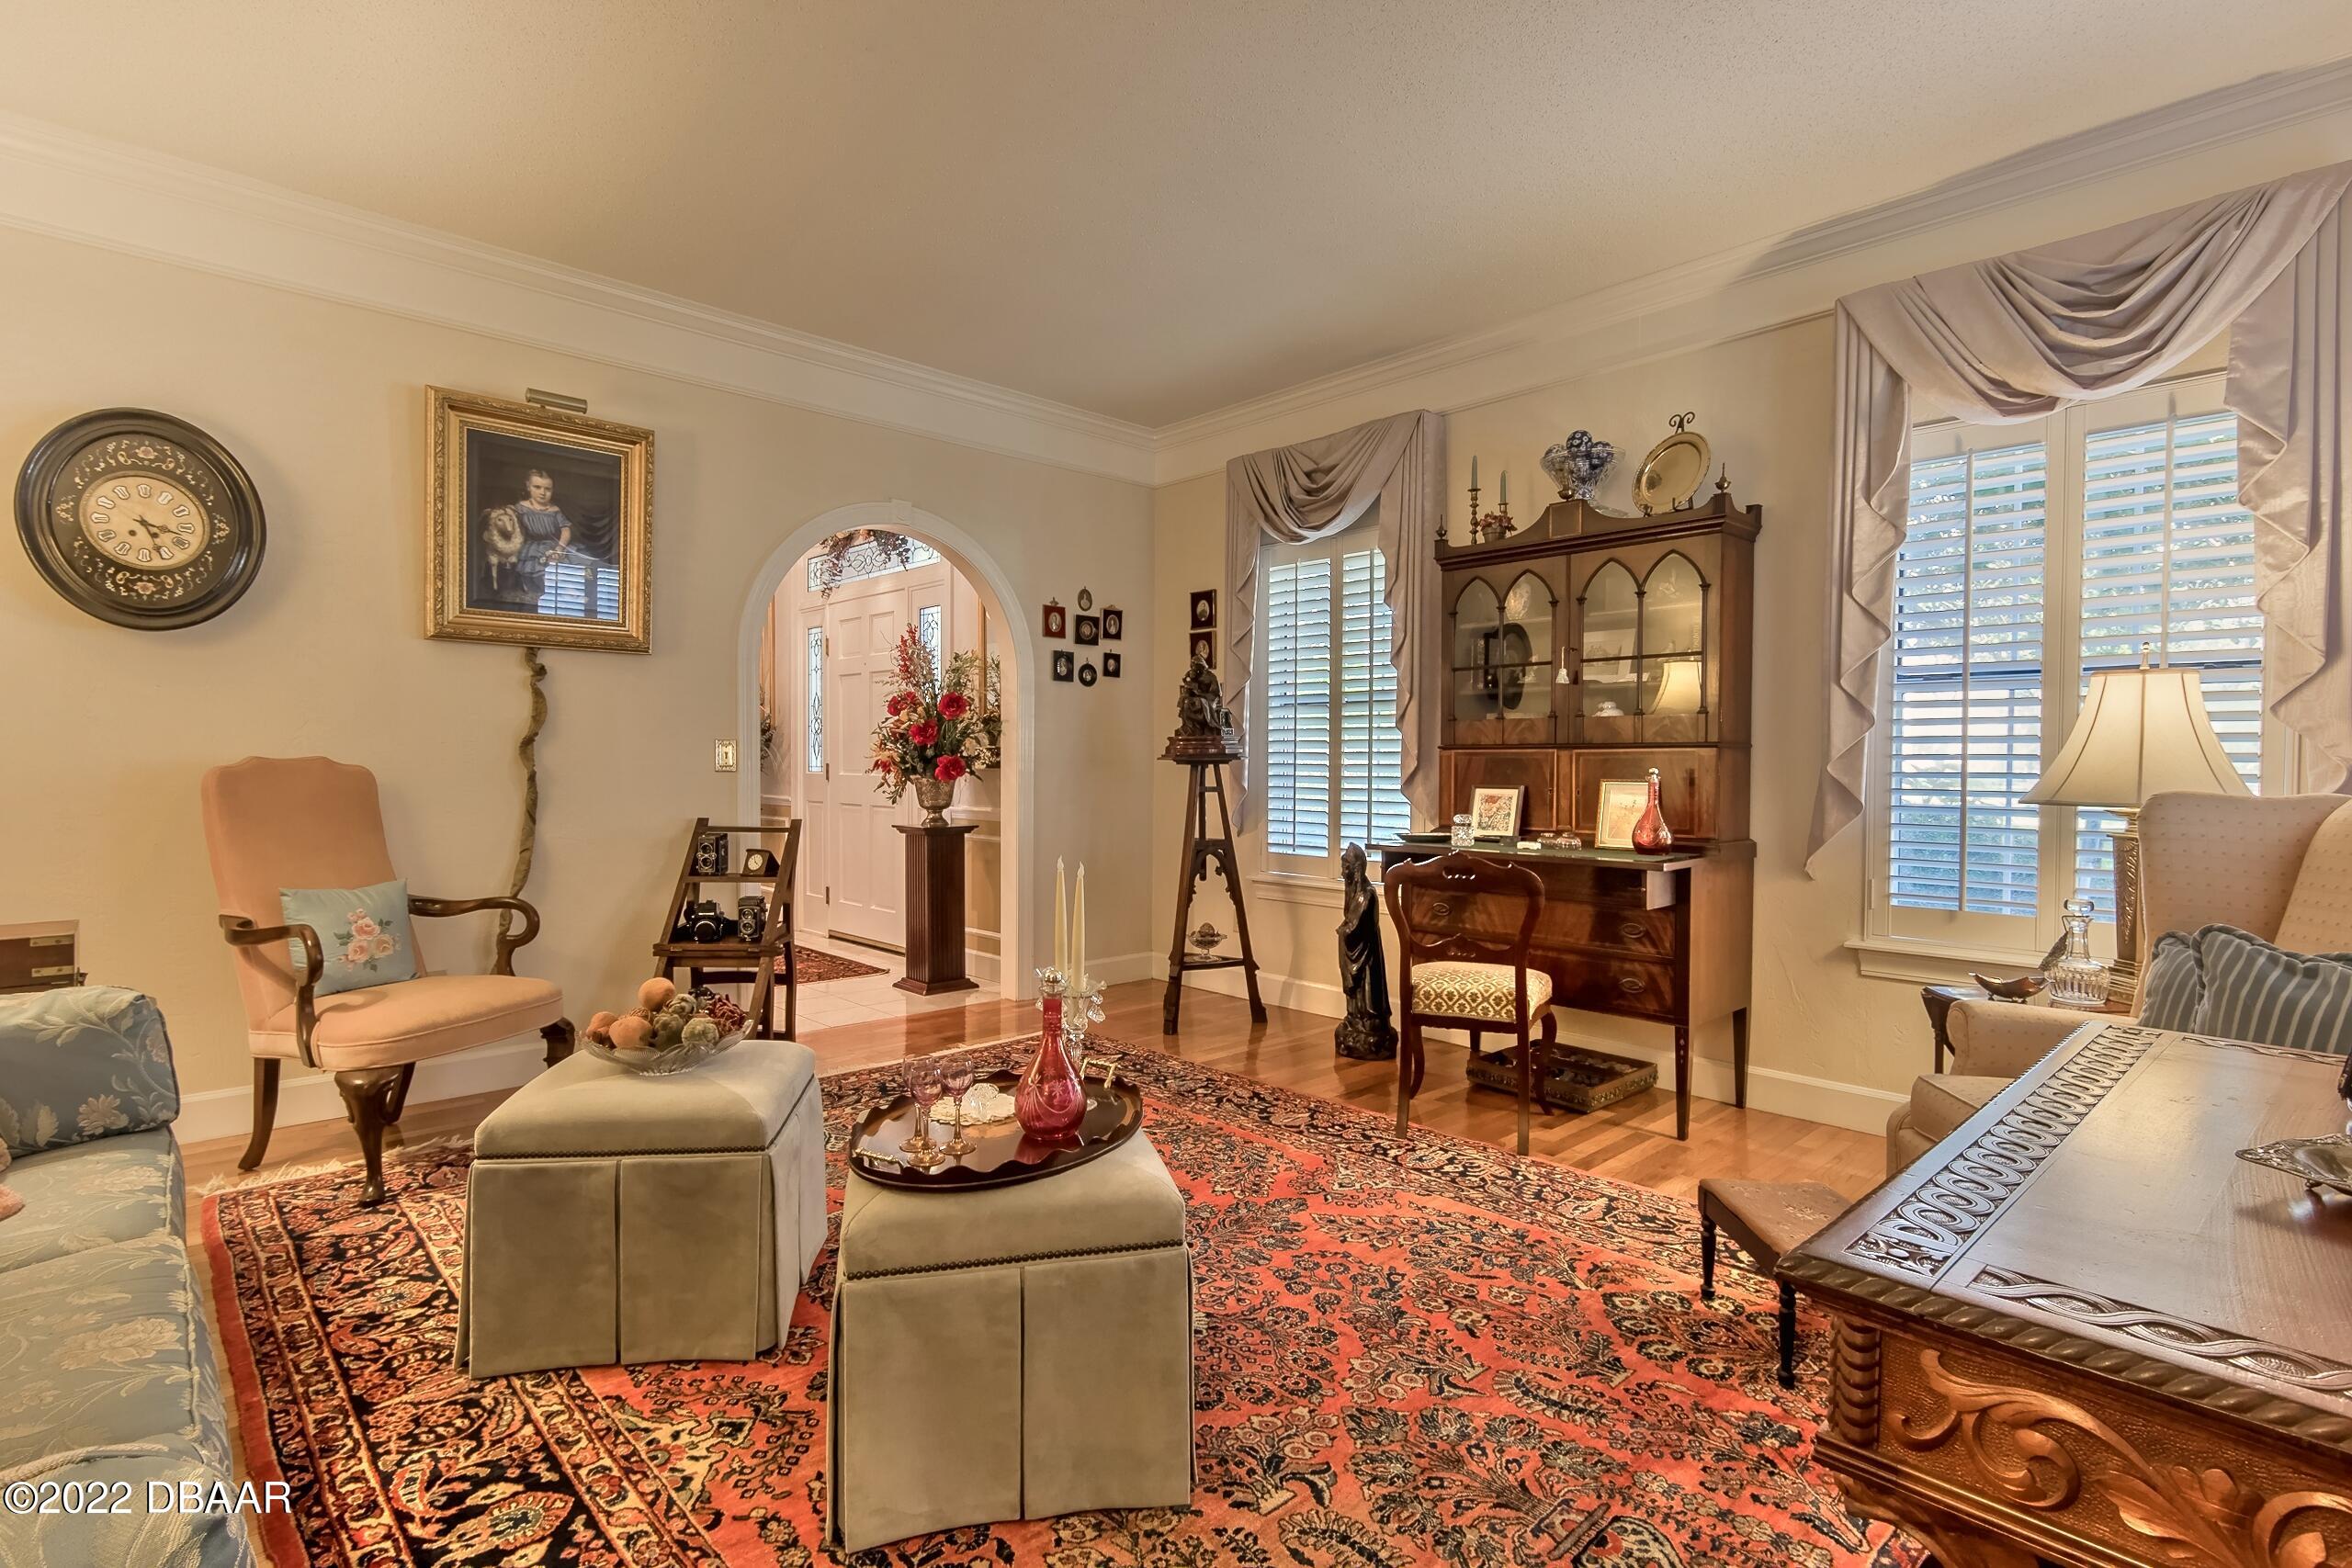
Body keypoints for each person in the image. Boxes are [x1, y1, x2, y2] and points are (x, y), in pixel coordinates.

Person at [480, 469, 573, 609]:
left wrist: (559, 548)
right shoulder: (520, 508)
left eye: (548, 489)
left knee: (566, 576)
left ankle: (565, 602)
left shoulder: (555, 510)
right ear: (528, 487)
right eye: (537, 487)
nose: (543, 492)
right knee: (538, 575)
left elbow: (566, 529)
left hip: (554, 547)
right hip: (531, 548)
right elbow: (513, 528)